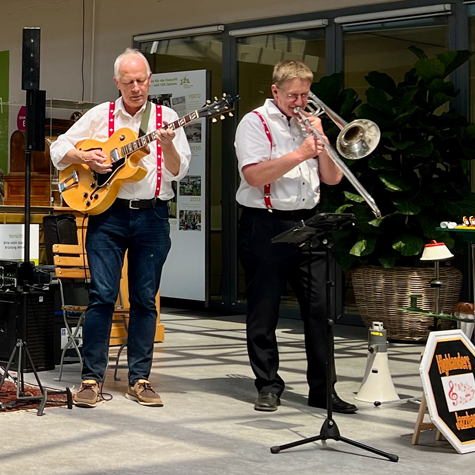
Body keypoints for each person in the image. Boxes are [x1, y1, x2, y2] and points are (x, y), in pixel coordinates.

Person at [50, 48, 191, 408]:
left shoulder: (167, 118)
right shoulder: (100, 116)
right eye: (128, 82)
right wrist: (85, 157)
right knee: (102, 295)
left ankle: (140, 379)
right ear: (117, 82)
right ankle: (91, 380)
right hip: (107, 216)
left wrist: (168, 146)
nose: (136, 88)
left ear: (150, 80)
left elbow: (179, 171)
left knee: (145, 298)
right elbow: (58, 149)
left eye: (141, 80)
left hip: (152, 216)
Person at [235, 60, 357, 414]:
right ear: (276, 90)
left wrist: (323, 142)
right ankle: (268, 385)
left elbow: (332, 178)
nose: (300, 102)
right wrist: (301, 152)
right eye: (293, 95)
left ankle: (323, 390)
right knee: (264, 310)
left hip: (310, 224)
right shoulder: (254, 122)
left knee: (321, 310)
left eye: (305, 94)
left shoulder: (309, 123)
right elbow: (255, 176)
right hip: (266, 224)